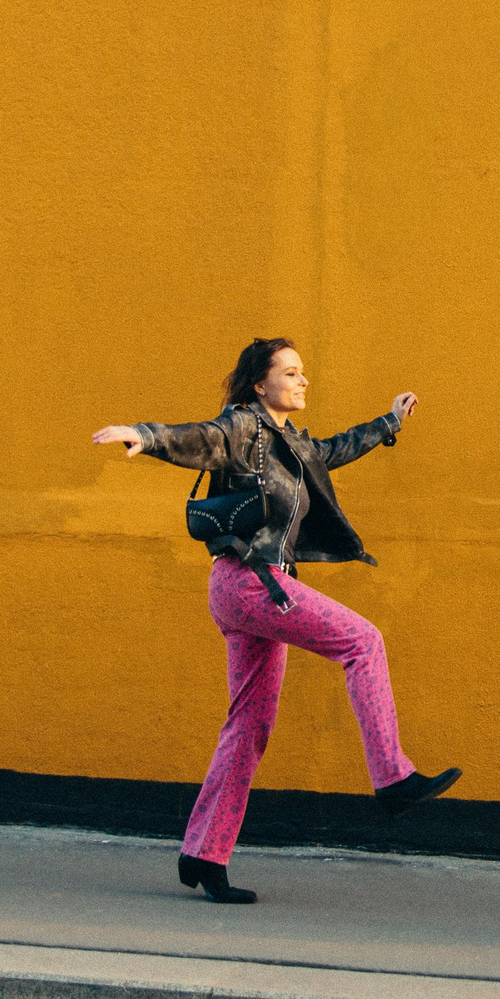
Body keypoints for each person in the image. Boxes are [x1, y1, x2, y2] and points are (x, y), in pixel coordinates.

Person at [92, 337, 459, 904]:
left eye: (303, 371)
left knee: (249, 725)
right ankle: (392, 776)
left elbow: (335, 449)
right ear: (260, 384)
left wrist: (390, 421)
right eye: (290, 372)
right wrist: (145, 435)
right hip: (251, 581)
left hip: (251, 589)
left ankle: (203, 855)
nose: (303, 379)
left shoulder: (292, 442)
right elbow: (201, 438)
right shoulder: (243, 427)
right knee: (363, 640)